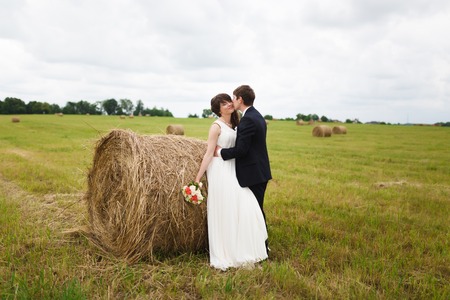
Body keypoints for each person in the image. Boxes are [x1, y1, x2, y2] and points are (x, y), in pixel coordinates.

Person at [194, 93, 268, 271]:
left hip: (234, 169)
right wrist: (198, 177)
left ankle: (245, 247)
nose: (228, 104)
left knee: (245, 206)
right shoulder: (216, 126)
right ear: (217, 109)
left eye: (229, 100)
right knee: (227, 208)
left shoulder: (235, 124)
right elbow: (209, 152)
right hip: (220, 170)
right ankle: (227, 251)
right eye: (223, 103)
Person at [215, 85, 272, 251]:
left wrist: (220, 152)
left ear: (240, 99)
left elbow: (242, 150)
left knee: (255, 212)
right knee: (255, 210)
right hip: (260, 171)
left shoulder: (248, 119)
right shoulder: (257, 115)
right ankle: (259, 245)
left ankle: (262, 248)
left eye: (233, 98)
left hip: (253, 173)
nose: (232, 101)